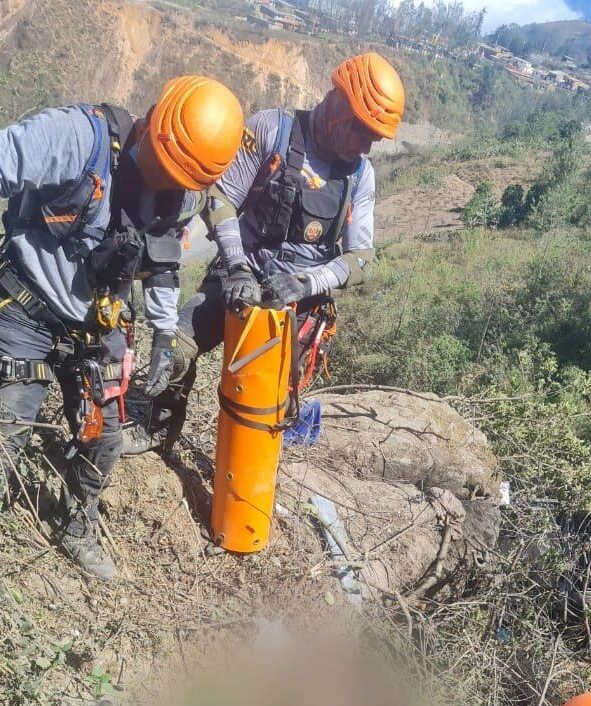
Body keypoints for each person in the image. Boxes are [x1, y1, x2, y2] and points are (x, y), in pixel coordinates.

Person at [0, 76, 246, 580]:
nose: (166, 185)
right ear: (152, 124)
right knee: (0, 439)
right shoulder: (77, 138)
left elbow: (162, 262)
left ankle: (78, 525)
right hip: (24, 306)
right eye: (162, 171)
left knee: (106, 437)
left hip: (97, 323)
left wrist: (164, 335)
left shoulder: (184, 192)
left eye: (180, 182)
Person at [122, 51, 404, 456]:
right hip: (241, 274)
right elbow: (221, 198)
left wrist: (305, 282)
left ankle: (246, 477)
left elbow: (360, 259)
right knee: (177, 349)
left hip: (298, 302)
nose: (367, 146)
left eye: (374, 138)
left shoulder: (360, 175)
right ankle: (158, 430)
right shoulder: (272, 129)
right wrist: (235, 265)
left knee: (263, 405)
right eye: (364, 133)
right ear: (340, 108)